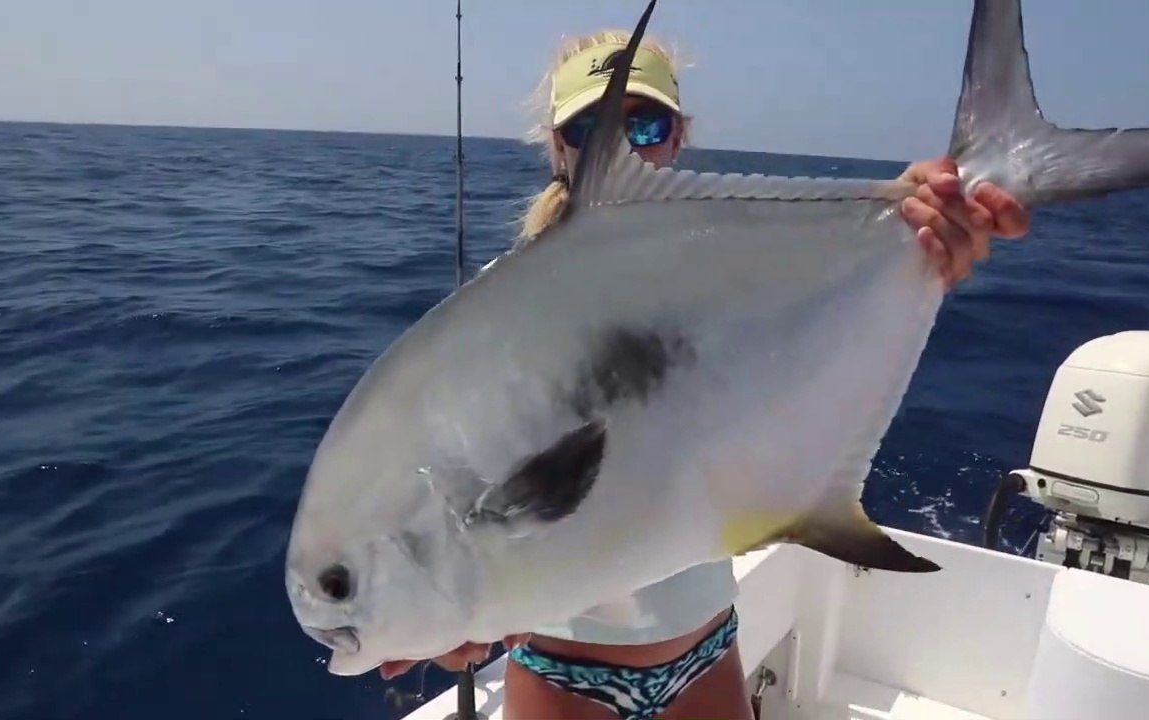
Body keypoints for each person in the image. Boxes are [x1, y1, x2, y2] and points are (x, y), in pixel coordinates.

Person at [381, 28, 1030, 720]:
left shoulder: (743, 271)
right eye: (591, 126)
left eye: (647, 123)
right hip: (562, 674)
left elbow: (825, 343)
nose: (624, 146)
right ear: (558, 145)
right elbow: (454, 500)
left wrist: (924, 233)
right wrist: (445, 616)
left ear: (678, 137)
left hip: (709, 652)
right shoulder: (495, 314)